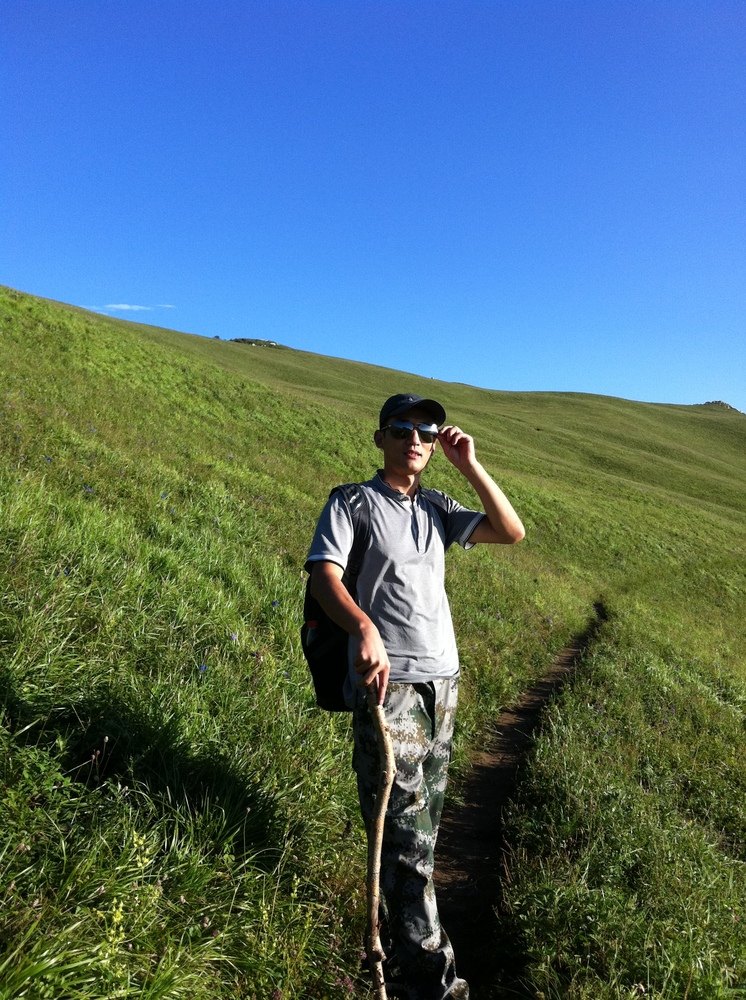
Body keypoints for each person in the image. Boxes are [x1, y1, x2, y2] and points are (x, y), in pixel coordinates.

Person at [305, 392, 525, 1000]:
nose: (415, 440)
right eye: (402, 429)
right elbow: (324, 575)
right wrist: (363, 627)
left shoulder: (437, 506)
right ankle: (433, 981)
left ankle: (402, 946)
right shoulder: (352, 501)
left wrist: (469, 466)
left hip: (443, 683)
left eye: (426, 432)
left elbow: (511, 531)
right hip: (390, 688)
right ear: (380, 438)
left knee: (423, 827)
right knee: (407, 837)